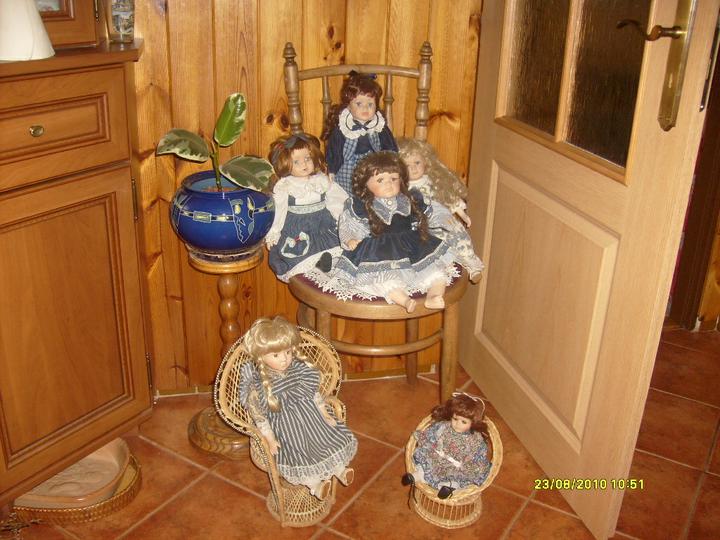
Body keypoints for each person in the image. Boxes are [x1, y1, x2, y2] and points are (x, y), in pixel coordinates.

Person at [313, 151, 458, 311]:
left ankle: (434, 295)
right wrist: (350, 238)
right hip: (378, 250)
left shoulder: (410, 199)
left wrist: (444, 218)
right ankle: (403, 299)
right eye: (380, 180)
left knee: (435, 271)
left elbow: (432, 210)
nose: (388, 184)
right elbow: (348, 223)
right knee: (381, 279)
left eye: (393, 179)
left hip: (413, 246)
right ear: (365, 184)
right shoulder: (361, 206)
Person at [239, 316, 357, 500]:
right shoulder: (259, 383)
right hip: (287, 429)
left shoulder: (299, 368)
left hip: (312, 419)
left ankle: (340, 469)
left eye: (287, 352)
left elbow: (314, 394)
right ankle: (315, 485)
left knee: (327, 440)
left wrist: (324, 413)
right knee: (300, 453)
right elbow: (259, 416)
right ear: (262, 356)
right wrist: (270, 438)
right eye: (276, 355)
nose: (284, 359)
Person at [398, 137, 484, 283]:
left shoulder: (434, 182)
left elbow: (448, 197)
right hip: (415, 225)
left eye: (417, 162)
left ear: (425, 161)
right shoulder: (399, 187)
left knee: (456, 232)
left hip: (438, 219)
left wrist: (462, 214)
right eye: (407, 165)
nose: (413, 168)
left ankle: (471, 263)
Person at [265, 133, 347, 281]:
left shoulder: (321, 180)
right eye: (296, 161)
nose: (304, 164)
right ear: (286, 164)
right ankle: (314, 270)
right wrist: (274, 232)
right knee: (300, 254)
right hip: (298, 228)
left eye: (307, 158)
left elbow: (337, 200)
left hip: (323, 226)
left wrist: (343, 218)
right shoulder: (285, 186)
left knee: (337, 249)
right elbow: (279, 211)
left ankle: (326, 265)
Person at [402, 392, 491, 499]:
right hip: (437, 456)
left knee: (455, 478)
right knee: (426, 464)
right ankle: (416, 476)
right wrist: (429, 442)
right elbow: (432, 434)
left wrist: (468, 464)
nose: (457, 424)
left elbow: (477, 456)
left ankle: (448, 487)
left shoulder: (475, 439)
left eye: (464, 422)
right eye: (455, 419)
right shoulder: (444, 426)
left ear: (473, 423)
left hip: (457, 466)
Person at [322, 71, 398, 194]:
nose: (365, 108)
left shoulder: (379, 126)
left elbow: (389, 146)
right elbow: (334, 150)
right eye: (359, 104)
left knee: (376, 186)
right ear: (348, 105)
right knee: (345, 190)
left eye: (370, 104)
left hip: (374, 167)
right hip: (348, 168)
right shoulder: (343, 127)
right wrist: (332, 170)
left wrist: (392, 164)